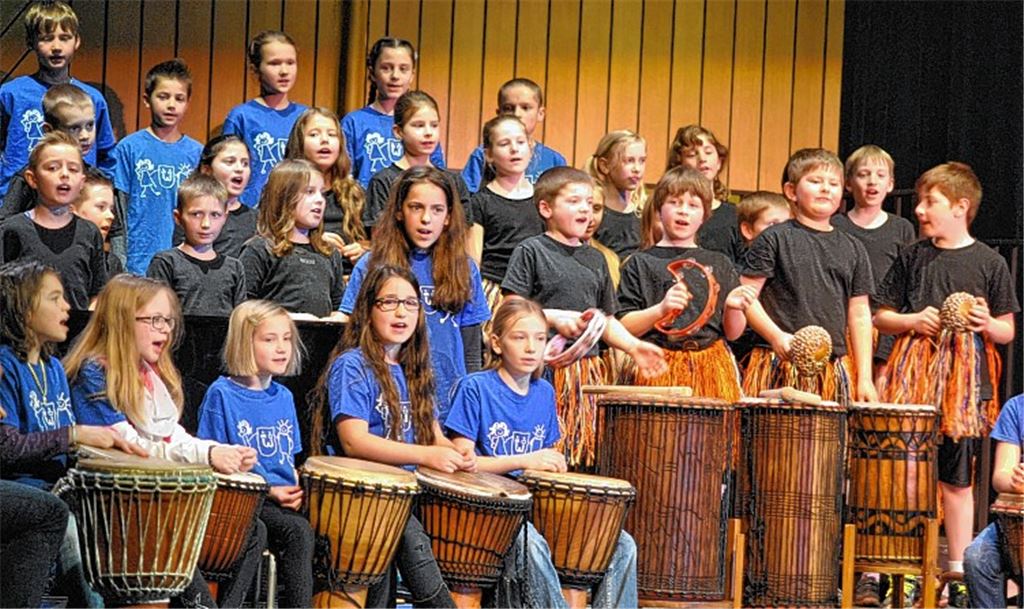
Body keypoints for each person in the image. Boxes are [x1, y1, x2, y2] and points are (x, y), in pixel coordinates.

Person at [65, 274, 266, 608]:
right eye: (154, 320)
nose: (165, 330)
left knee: (253, 530)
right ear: (120, 321)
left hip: (150, 502)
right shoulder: (93, 373)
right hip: (115, 509)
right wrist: (208, 456)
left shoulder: (149, 373)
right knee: (182, 557)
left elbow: (172, 435)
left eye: (169, 321)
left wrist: (215, 451)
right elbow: (130, 448)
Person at [874, 162, 1019, 608]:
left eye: (929, 202)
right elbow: (881, 315)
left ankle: (957, 571)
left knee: (957, 480)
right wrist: (913, 320)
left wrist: (986, 323)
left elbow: (1007, 330)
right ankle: (908, 569)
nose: (919, 210)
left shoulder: (989, 262)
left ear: (961, 207)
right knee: (910, 477)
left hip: (964, 383)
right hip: (914, 376)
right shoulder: (913, 256)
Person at [445, 296, 639, 608]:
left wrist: (555, 465)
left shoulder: (544, 392)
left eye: (539, 338)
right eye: (519, 338)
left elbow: (546, 456)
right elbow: (462, 463)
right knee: (531, 545)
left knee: (621, 543)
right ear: (496, 343)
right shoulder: (476, 388)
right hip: (495, 512)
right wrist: (526, 461)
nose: (531, 348)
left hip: (539, 506)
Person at [311, 265, 471, 608]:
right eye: (389, 302)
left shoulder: (415, 367)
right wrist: (426, 456)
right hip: (359, 496)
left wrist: (455, 451)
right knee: (412, 545)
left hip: (401, 496)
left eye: (411, 303)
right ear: (368, 309)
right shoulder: (353, 365)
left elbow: (433, 435)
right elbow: (354, 441)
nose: (402, 312)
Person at [0, 259, 145, 608]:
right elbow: (6, 449)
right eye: (55, 298)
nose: (67, 306)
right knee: (61, 518)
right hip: (23, 489)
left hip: (57, 488)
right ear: (23, 309)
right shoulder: (6, 365)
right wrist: (75, 435)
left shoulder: (53, 369)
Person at [502, 166, 667, 468]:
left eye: (590, 204)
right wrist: (552, 318)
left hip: (584, 374)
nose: (585, 210)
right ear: (546, 208)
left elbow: (605, 319)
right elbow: (512, 309)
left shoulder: (596, 259)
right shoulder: (531, 251)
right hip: (541, 371)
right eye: (574, 201)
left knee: (578, 456)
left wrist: (632, 346)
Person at [341, 166, 490, 424]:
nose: (426, 219)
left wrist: (470, 405)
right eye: (416, 207)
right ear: (399, 211)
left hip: (448, 403)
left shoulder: (464, 269)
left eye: (437, 210)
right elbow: (354, 339)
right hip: (389, 401)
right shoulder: (371, 265)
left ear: (448, 217)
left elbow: (471, 350)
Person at [197, 300, 315, 608]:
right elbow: (213, 464)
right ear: (244, 343)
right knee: (295, 531)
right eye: (269, 339)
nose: (282, 348)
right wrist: (271, 490)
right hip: (244, 500)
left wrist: (296, 487)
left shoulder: (285, 397)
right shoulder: (221, 394)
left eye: (287, 338)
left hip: (284, 498)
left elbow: (289, 459)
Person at [739, 148, 877, 404]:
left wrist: (865, 377)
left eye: (833, 183)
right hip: (778, 361)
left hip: (829, 364)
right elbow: (745, 297)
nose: (826, 188)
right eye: (815, 181)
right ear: (791, 191)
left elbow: (859, 313)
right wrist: (775, 335)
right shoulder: (775, 238)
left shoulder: (853, 248)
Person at [618, 167, 756, 399]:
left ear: (704, 216)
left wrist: (733, 307)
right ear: (659, 209)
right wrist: (660, 310)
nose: (683, 211)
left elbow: (733, 334)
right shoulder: (640, 263)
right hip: (657, 365)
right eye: (674, 202)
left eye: (693, 205)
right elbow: (624, 326)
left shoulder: (719, 262)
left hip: (711, 366)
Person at [0, 0, 115, 196]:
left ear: (76, 41)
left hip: (75, 202)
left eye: (64, 38)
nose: (56, 47)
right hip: (17, 202)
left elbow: (107, 156)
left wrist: (96, 195)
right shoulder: (11, 94)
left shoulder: (92, 99)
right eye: (47, 38)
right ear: (31, 42)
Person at [103, 59, 203, 274]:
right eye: (163, 97)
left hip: (182, 262)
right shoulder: (129, 148)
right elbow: (120, 207)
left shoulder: (196, 153)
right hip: (138, 260)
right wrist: (121, 261)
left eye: (179, 98)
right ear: (147, 100)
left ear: (188, 102)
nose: (171, 105)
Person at [832, 145, 916, 382]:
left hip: (886, 327)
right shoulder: (836, 226)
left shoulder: (902, 229)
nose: (872, 182)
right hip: (844, 327)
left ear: (890, 184)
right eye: (863, 174)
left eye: (880, 176)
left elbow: (906, 284)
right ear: (848, 183)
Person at [0, 131, 106, 311]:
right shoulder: (12, 230)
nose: (64, 174)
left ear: (82, 182)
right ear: (32, 179)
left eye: (73, 169)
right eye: (53, 168)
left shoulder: (89, 232)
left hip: (75, 336)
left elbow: (97, 292)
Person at [466, 115, 544, 339]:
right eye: (504, 144)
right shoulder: (480, 201)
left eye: (520, 142)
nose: (514, 149)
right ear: (489, 155)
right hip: (496, 289)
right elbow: (473, 260)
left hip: (535, 290)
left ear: (531, 147)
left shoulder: (542, 199)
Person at [239, 159, 347, 320]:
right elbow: (243, 308)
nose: (320, 200)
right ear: (284, 196)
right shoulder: (260, 249)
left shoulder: (329, 253)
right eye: (310, 192)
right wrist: (290, 319)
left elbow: (339, 306)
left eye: (322, 193)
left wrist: (337, 318)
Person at [342, 37, 445, 188]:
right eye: (386, 68)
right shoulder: (354, 122)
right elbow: (345, 178)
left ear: (412, 76)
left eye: (403, 69)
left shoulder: (424, 124)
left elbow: (437, 174)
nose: (395, 76)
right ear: (372, 73)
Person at [363, 91, 469, 232]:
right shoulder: (384, 181)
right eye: (418, 125)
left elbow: (464, 232)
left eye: (434, 125)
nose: (428, 132)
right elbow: (378, 235)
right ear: (398, 132)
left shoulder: (453, 181)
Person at [223, 30, 307, 207]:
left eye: (290, 63)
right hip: (251, 211)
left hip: (295, 210)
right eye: (274, 64)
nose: (284, 71)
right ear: (256, 69)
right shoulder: (242, 117)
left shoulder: (305, 116)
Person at [147, 173, 246, 317]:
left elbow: (240, 323)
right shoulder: (166, 263)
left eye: (215, 215)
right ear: (178, 217)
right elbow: (158, 315)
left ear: (225, 217)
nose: (206, 224)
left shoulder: (234, 268)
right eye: (196, 214)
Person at [284, 106, 368, 271]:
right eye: (314, 134)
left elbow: (375, 242)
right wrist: (314, 242)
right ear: (299, 143)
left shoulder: (354, 192)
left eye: (332, 134)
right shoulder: (284, 190)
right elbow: (270, 239)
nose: (325, 140)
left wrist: (363, 250)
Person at [2, 83, 99, 222]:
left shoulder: (95, 177)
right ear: (48, 130)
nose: (85, 135)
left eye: (90, 125)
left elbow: (116, 230)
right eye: (74, 128)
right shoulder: (30, 179)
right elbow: (5, 223)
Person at [964, 393, 1024, 609]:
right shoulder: (1016, 407)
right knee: (977, 558)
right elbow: (1000, 475)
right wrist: (1014, 482)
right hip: (1014, 528)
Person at [461, 78, 567, 193]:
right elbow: (466, 197)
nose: (517, 114)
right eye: (508, 108)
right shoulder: (482, 155)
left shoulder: (555, 160)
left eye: (525, 108)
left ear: (540, 113)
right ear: (499, 114)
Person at [173, 134, 257, 259]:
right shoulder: (194, 214)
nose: (240, 169)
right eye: (230, 162)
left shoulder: (256, 218)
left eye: (245, 163)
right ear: (207, 170)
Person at [668, 125, 741, 264]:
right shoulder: (669, 212)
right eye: (691, 155)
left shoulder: (735, 215)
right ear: (678, 164)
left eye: (708, 152)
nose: (702, 159)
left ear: (719, 162)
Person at [585, 131, 647, 260]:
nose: (637, 168)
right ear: (605, 165)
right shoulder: (595, 209)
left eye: (642, 161)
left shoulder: (643, 209)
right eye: (629, 161)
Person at [72, 168, 124, 278]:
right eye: (101, 207)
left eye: (111, 209)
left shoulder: (112, 264)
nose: (111, 216)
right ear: (73, 210)